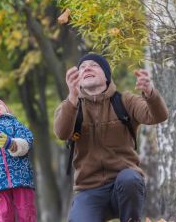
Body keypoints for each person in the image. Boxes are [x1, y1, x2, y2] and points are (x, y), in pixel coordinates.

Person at [54, 53, 169, 222]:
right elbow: (61, 133)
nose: (86, 68)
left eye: (93, 65)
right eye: (82, 67)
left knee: (130, 179)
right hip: (89, 190)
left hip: (124, 184)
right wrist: (72, 97)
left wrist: (150, 93)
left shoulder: (125, 101)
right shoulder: (70, 107)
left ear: (106, 75)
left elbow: (158, 116)